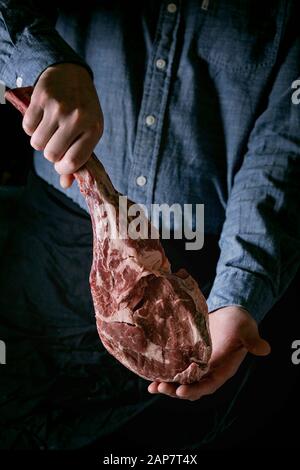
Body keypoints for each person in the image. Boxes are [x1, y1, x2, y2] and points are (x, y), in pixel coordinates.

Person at [0, 0, 299, 450]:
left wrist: (241, 293)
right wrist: (41, 61)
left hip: (208, 264)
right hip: (58, 230)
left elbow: (285, 142)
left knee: (158, 445)